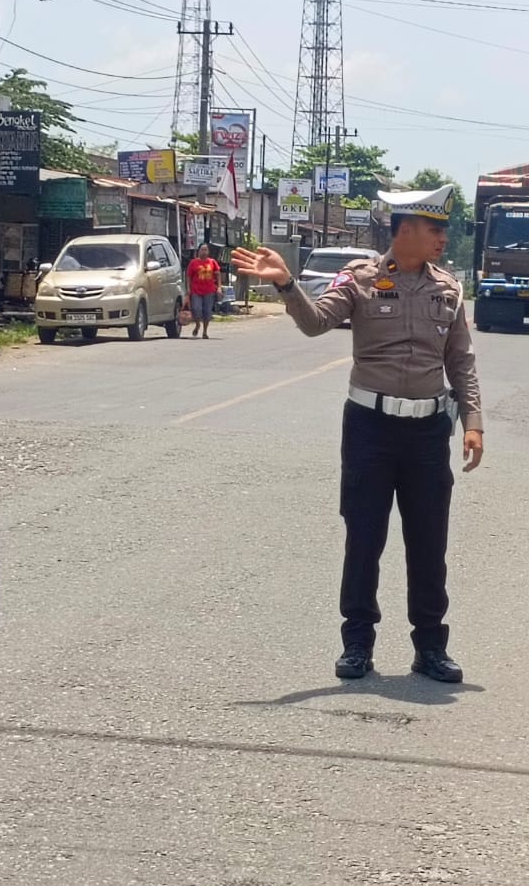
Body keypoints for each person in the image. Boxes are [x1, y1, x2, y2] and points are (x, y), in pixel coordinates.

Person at [230, 184, 483, 683]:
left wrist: (472, 423)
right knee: (365, 537)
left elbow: (462, 361)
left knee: (429, 542)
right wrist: (286, 286)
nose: (442, 240)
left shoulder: (448, 288)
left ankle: (430, 647)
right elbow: (317, 322)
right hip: (370, 428)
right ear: (405, 229)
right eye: (435, 230)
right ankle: (357, 644)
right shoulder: (360, 280)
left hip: (430, 431)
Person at [186, 243, 220, 339]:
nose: (204, 252)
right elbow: (188, 276)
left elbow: (217, 274)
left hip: (209, 291)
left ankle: (205, 331)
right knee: (196, 309)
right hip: (196, 291)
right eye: (202, 249)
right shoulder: (193, 263)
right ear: (198, 251)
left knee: (207, 311)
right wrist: (188, 288)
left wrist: (219, 287)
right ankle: (197, 324)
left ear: (208, 251)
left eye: (205, 250)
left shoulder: (212, 262)